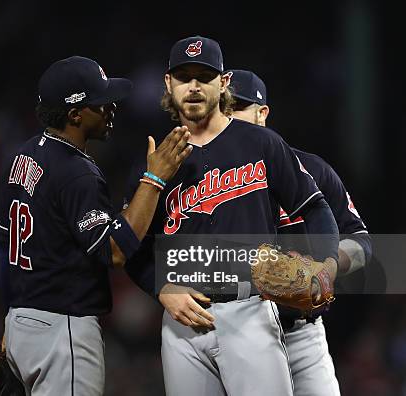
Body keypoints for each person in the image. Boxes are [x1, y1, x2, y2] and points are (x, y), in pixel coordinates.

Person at [123, 36, 340, 396]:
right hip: (183, 323)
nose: (193, 86)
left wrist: (327, 266)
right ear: (168, 84)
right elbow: (130, 247)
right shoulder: (154, 161)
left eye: (204, 77)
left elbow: (315, 206)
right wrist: (160, 286)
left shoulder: (262, 144)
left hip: (251, 310)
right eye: (184, 77)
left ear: (222, 83)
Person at [0, 56, 192, 396]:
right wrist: (154, 179)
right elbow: (114, 251)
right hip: (61, 328)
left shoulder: (25, 154)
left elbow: (3, 244)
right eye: (99, 103)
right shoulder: (76, 172)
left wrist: (16, 320)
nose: (111, 107)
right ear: (75, 114)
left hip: (19, 322)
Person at [228, 68, 372, 395]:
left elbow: (361, 241)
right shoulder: (204, 183)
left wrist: (327, 269)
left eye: (237, 107)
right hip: (234, 333)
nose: (229, 118)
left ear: (262, 113)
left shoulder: (314, 170)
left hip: (301, 335)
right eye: (222, 109)